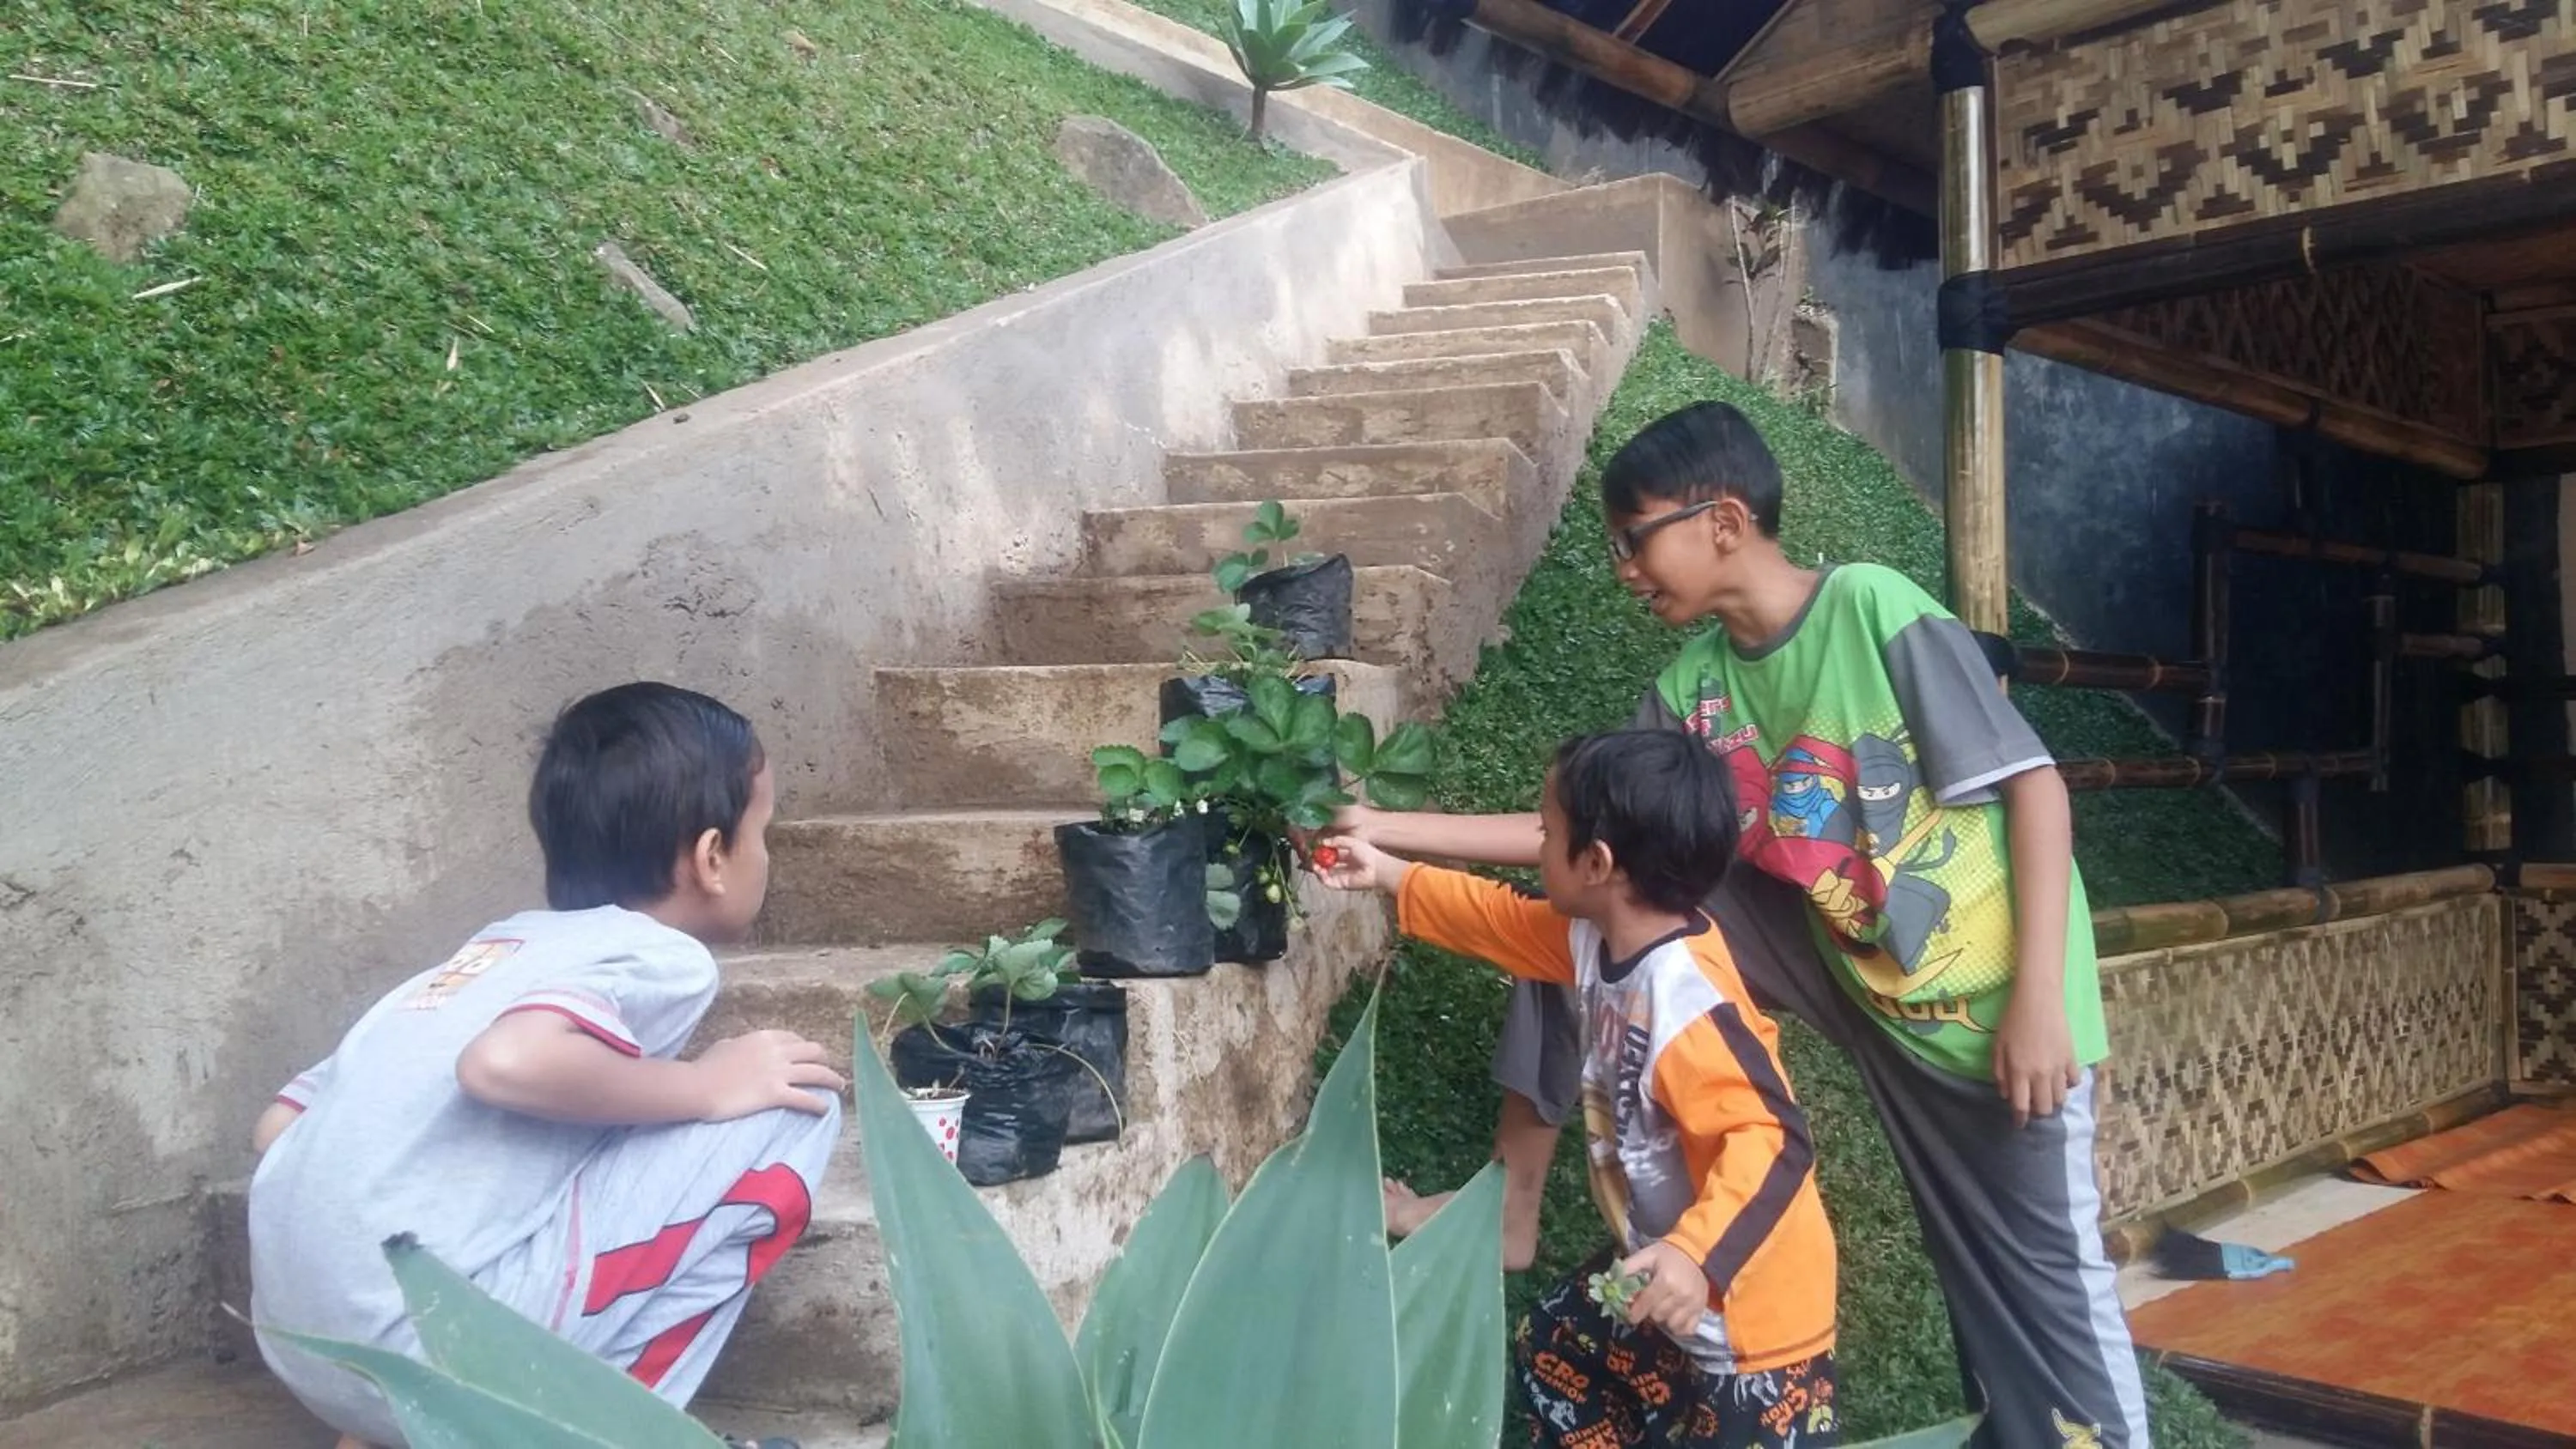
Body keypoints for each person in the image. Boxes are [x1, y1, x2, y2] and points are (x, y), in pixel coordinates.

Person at [1333, 400, 2150, 1448]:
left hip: (1991, 1019)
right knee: (1599, 907)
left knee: (2037, 1302)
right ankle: (1511, 1206)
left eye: (1635, 538)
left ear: (1722, 520)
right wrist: (1385, 830)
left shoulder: (1870, 606)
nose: (1624, 568)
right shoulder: (1695, 691)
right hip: (1839, 966)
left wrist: (2039, 1000)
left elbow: (2034, 789)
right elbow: (1578, 833)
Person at [247, 682, 843, 1449]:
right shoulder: (657, 953)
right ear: (713, 857)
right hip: (433, 1353)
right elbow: (504, 1063)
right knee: (791, 1101)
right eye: (764, 831)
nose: (766, 853)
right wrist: (703, 1086)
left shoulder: (481, 958)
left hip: (314, 1360)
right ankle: (622, 1434)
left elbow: (276, 1128)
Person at [1319, 729, 1838, 1448]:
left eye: (1546, 829)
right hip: (1663, 1269)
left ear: (1597, 863)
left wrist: (1696, 1256)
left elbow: (1773, 1140)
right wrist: (1390, 875)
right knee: (1561, 1352)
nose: (1535, 844)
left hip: (1755, 1330)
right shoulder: (1599, 937)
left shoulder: (1687, 1006)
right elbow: (1500, 919)